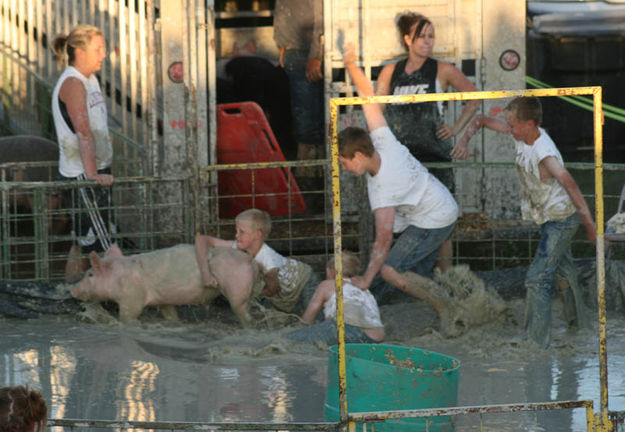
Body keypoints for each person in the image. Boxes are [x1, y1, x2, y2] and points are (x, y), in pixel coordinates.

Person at [456, 96, 596, 347]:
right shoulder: (520, 134)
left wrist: (589, 225)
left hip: (561, 220)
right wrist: (464, 140)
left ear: (530, 124)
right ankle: (580, 328)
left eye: (513, 125)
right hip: (548, 218)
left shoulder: (545, 153)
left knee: (536, 278)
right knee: (564, 272)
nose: (508, 130)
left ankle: (536, 343)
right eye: (508, 124)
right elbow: (481, 120)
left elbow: (571, 185)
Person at [338, 43, 459, 304]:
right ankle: (427, 307)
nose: (344, 169)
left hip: (435, 217)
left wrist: (366, 279)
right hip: (433, 210)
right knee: (410, 274)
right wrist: (350, 65)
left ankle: (448, 305)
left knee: (389, 270)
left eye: (344, 163)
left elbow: (382, 243)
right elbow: (367, 97)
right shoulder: (381, 139)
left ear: (358, 156)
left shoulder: (383, 187)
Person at [376, 12, 480, 271]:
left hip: (435, 157)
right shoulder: (391, 71)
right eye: (421, 36)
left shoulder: (442, 69)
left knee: (442, 220)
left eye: (431, 36)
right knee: (405, 219)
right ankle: (406, 277)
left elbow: (475, 97)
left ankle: (446, 279)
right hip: (402, 160)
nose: (427, 41)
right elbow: (375, 110)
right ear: (407, 39)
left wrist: (455, 128)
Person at [51, 24, 115, 281]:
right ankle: (103, 302)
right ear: (79, 50)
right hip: (83, 176)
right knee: (103, 248)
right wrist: (92, 175)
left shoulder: (90, 79)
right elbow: (84, 133)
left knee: (83, 243)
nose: (104, 54)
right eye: (99, 49)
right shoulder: (73, 83)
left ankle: (71, 295)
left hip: (94, 171)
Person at [195, 208, 319, 313]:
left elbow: (273, 288)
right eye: (236, 231)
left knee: (312, 317)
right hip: (285, 290)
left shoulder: (266, 258)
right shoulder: (238, 246)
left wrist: (248, 296)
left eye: (241, 232)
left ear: (258, 234)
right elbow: (202, 239)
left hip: (304, 281)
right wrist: (205, 272)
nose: (236, 236)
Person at [273, 0, 325, 200]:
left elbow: (322, 18)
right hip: (294, 52)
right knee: (304, 119)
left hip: (306, 54)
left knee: (310, 124)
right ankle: (310, 184)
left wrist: (316, 55)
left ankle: (313, 188)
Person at [286, 251, 384, 345]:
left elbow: (309, 317)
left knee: (290, 339)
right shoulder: (364, 289)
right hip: (377, 336)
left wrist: (303, 329)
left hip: (348, 330)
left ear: (332, 272)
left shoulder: (327, 285)